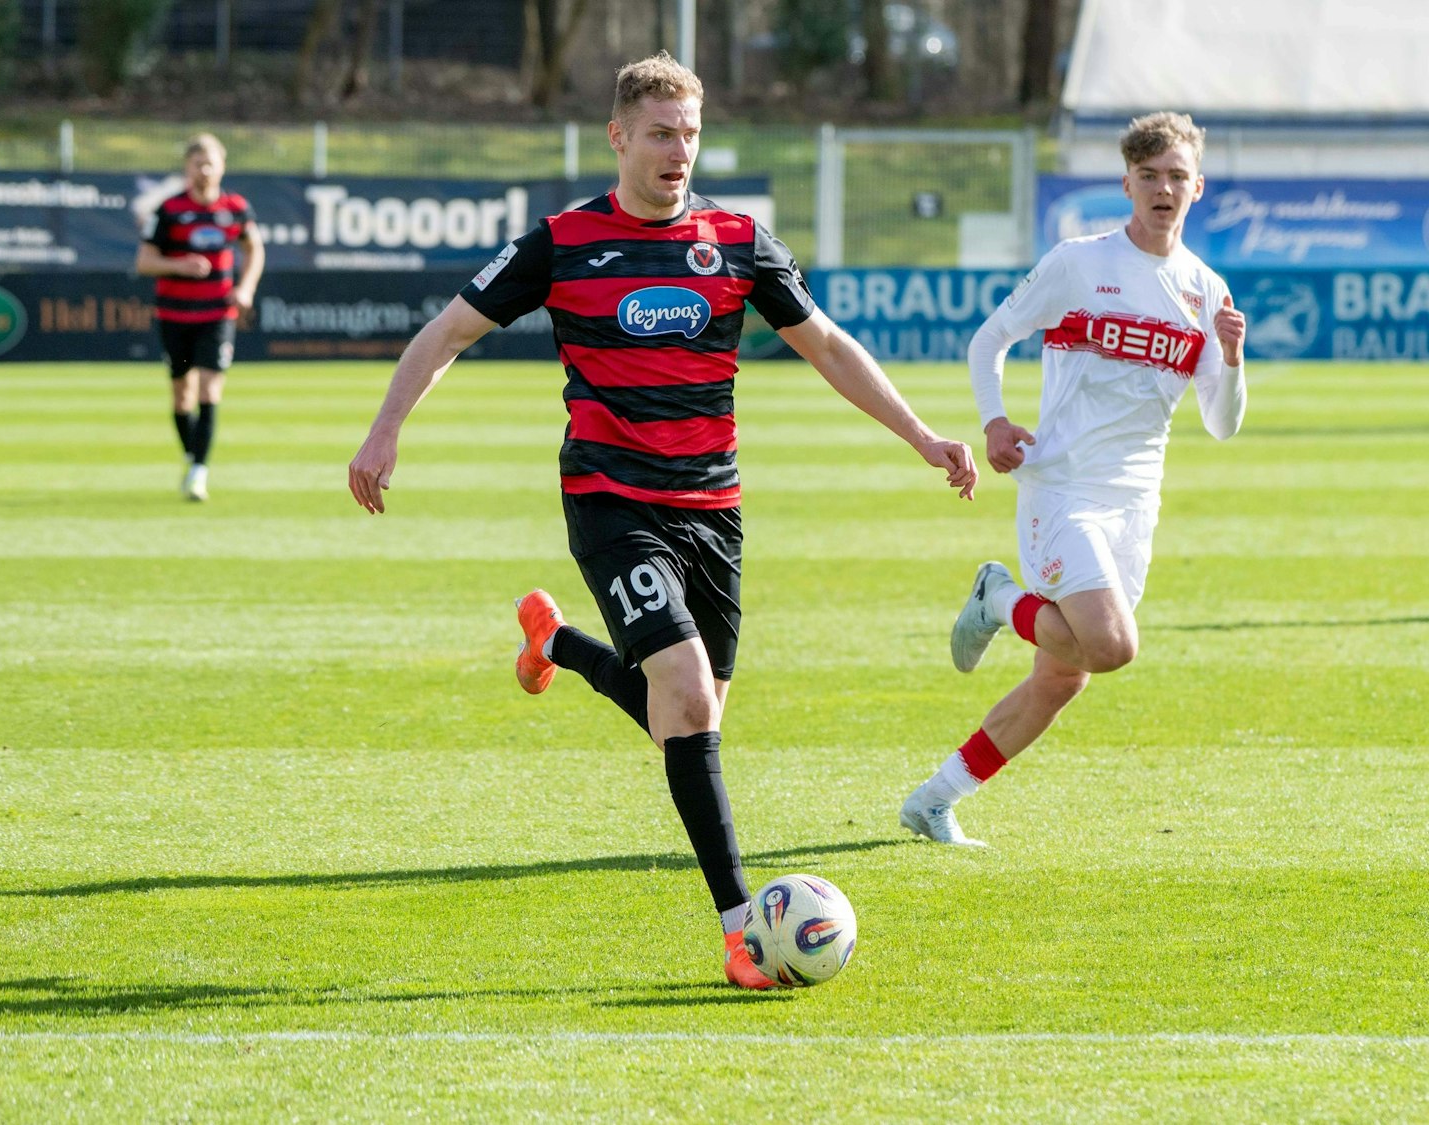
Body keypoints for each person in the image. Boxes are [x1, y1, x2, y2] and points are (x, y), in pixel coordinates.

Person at [345, 52, 976, 989]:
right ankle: (740, 932)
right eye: (660, 134)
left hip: (712, 509)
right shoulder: (560, 243)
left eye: (690, 133)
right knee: (683, 694)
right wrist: (385, 430)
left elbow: (829, 347)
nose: (678, 151)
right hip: (611, 499)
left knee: (689, 715)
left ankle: (556, 643)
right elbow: (447, 335)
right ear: (620, 137)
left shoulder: (738, 242)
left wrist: (922, 436)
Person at [897, 112, 1247, 847]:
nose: (1163, 188)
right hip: (1060, 488)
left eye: (1177, 176)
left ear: (1198, 187)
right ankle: (998, 595)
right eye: (1148, 175)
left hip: (1134, 505)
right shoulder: (1078, 263)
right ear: (1126, 183)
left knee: (1063, 678)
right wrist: (994, 420)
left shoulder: (1206, 290)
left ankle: (933, 800)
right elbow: (989, 339)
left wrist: (1233, 360)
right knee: (1113, 647)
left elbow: (1222, 423)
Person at [136, 133, 264, 502]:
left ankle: (198, 473)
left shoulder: (236, 207)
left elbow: (254, 248)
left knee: (210, 388)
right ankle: (194, 457)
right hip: (175, 313)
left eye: (211, 163)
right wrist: (180, 264)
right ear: (187, 168)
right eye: (198, 163)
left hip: (217, 313)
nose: (205, 170)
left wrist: (246, 288)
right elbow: (144, 262)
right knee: (181, 396)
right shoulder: (169, 210)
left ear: (222, 166)